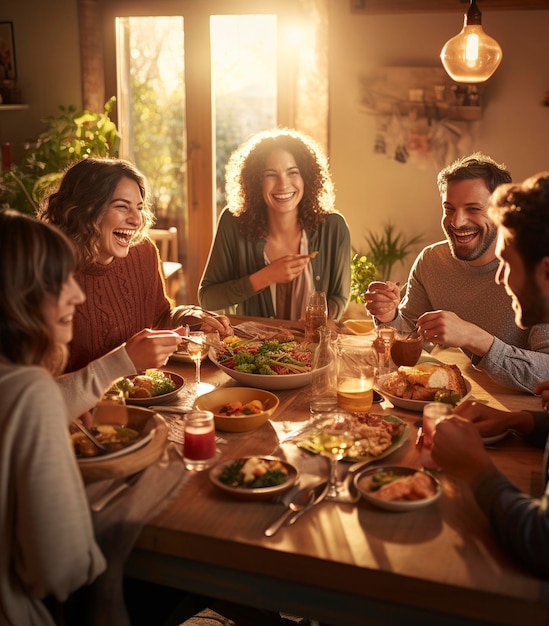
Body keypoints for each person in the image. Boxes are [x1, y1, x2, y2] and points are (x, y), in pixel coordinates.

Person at [432, 172, 549, 625]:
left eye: (506, 263)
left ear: (548, 273)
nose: (501, 278)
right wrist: (521, 423)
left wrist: (475, 467)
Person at [364, 152, 549, 393]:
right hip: (469, 398)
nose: (457, 222)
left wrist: (474, 338)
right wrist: (388, 315)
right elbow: (409, 336)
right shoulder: (431, 261)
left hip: (526, 413)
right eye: (449, 209)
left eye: (473, 209)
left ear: (500, 212)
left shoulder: (535, 268)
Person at [0, 209, 106, 625]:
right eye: (58, 281)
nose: (77, 296)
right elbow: (60, 571)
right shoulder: (29, 390)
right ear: (15, 294)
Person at [38, 157, 231, 372]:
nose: (137, 220)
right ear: (84, 210)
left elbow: (160, 317)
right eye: (122, 207)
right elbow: (38, 385)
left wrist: (195, 318)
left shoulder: (143, 252)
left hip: (144, 394)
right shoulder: (45, 271)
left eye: (139, 208)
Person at [198, 128, 351, 321]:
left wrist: (318, 318)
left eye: (293, 172)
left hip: (312, 347)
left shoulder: (333, 227)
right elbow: (207, 299)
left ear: (307, 178)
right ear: (255, 182)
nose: (283, 184)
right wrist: (265, 277)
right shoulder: (233, 222)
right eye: (270, 175)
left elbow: (340, 296)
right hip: (252, 349)